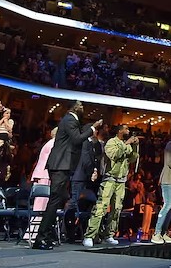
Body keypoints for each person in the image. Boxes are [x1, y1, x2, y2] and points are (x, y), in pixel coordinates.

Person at [33, 101, 102, 250]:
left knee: (60, 199)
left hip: (63, 165)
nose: (83, 108)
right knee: (54, 201)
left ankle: (47, 235)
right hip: (60, 165)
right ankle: (41, 238)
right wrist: (92, 128)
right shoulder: (70, 119)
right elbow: (77, 138)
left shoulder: (71, 120)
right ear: (73, 107)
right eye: (80, 105)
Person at [82, 125, 138, 247]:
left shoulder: (126, 144)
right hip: (109, 179)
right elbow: (114, 155)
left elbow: (133, 158)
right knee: (101, 207)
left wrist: (134, 146)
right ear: (119, 131)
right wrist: (126, 144)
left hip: (121, 181)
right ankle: (90, 235)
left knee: (117, 209)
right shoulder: (111, 143)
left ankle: (109, 235)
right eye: (126, 129)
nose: (128, 131)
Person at [151, 128, 171, 244]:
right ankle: (157, 233)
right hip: (169, 179)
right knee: (167, 205)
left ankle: (164, 233)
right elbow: (169, 161)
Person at [30, 128, 57, 211]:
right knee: (41, 202)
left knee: (43, 202)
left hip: (44, 174)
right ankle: (36, 222)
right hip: (44, 174)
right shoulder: (53, 144)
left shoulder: (51, 143)